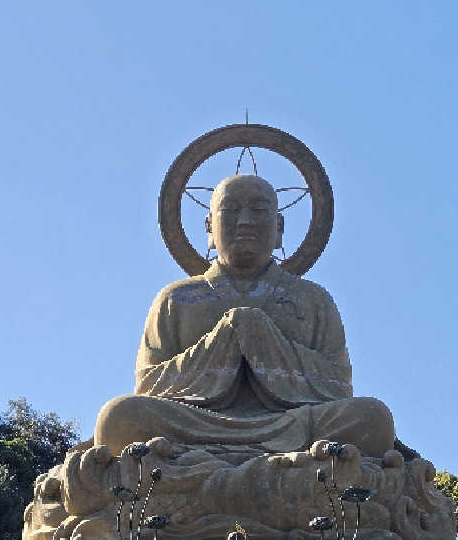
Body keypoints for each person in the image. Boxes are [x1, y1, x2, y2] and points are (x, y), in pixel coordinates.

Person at [94, 174, 394, 457]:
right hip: (193, 424)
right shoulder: (177, 298)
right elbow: (150, 383)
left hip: (295, 424)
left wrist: (262, 338)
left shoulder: (313, 299)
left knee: (371, 417)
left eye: (259, 210)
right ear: (209, 227)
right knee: (118, 417)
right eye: (231, 210)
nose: (246, 221)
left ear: (279, 228)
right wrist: (224, 340)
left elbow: (338, 385)